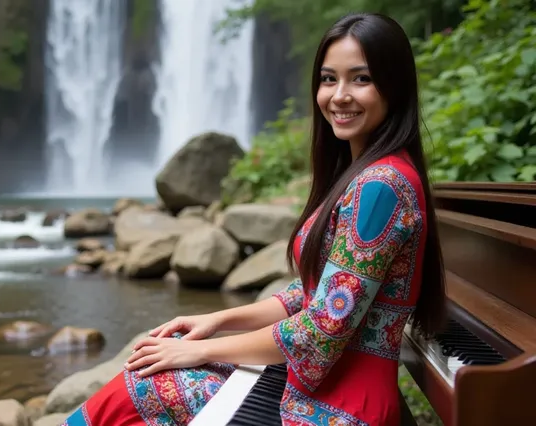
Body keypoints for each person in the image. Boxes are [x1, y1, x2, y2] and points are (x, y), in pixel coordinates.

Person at [61, 12, 446, 426]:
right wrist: (217, 320)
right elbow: (316, 292)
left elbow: (320, 334)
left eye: (361, 79)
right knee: (147, 377)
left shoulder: (380, 186)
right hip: (330, 385)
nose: (339, 95)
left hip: (340, 407)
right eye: (329, 78)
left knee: (137, 389)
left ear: (395, 86)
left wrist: (203, 350)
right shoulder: (371, 175)